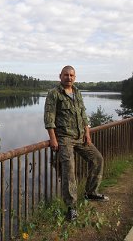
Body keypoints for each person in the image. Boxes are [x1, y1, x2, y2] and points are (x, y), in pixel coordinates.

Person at [44, 65, 109, 221]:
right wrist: (53, 138)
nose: (69, 77)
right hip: (64, 138)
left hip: (80, 137)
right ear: (60, 76)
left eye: (72, 75)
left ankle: (90, 192)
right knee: (69, 170)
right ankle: (71, 208)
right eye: (66, 75)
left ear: (75, 77)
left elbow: (83, 115)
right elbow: (49, 117)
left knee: (97, 159)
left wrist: (87, 133)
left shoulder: (78, 92)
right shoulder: (54, 94)